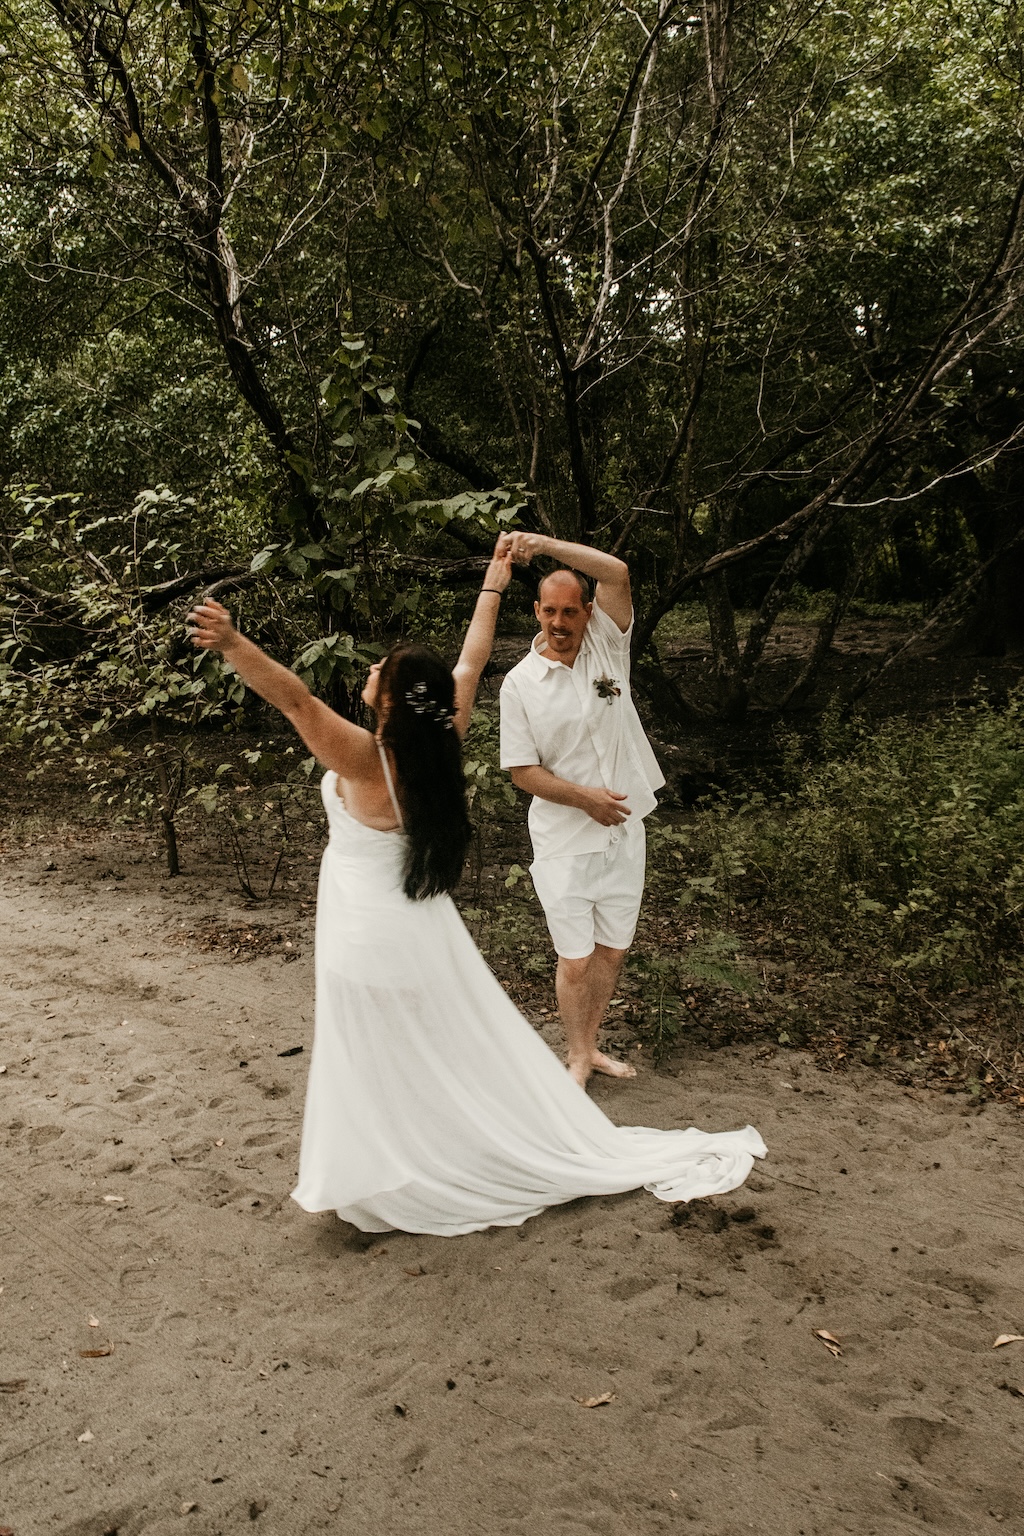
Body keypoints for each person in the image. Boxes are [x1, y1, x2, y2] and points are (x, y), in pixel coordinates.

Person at [187, 539, 764, 1237]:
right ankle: (404, 1157)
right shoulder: (443, 734)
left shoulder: (369, 758)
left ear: (394, 699)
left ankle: (392, 1172)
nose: (370, 671)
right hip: (411, 924)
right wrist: (492, 584)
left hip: (366, 928)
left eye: (381, 671)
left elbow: (296, 699)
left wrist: (232, 642)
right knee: (412, 1049)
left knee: (371, 1050)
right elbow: (473, 658)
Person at [499, 533, 664, 1087]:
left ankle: (592, 1046)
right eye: (550, 611)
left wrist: (539, 544)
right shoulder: (519, 683)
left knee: (612, 953)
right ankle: (575, 1054)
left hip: (624, 832)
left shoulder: (606, 648)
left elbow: (616, 571)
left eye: (571, 610)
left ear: (587, 613)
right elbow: (523, 771)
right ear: (537, 612)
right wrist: (585, 799)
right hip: (564, 841)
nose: (560, 622)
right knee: (575, 958)